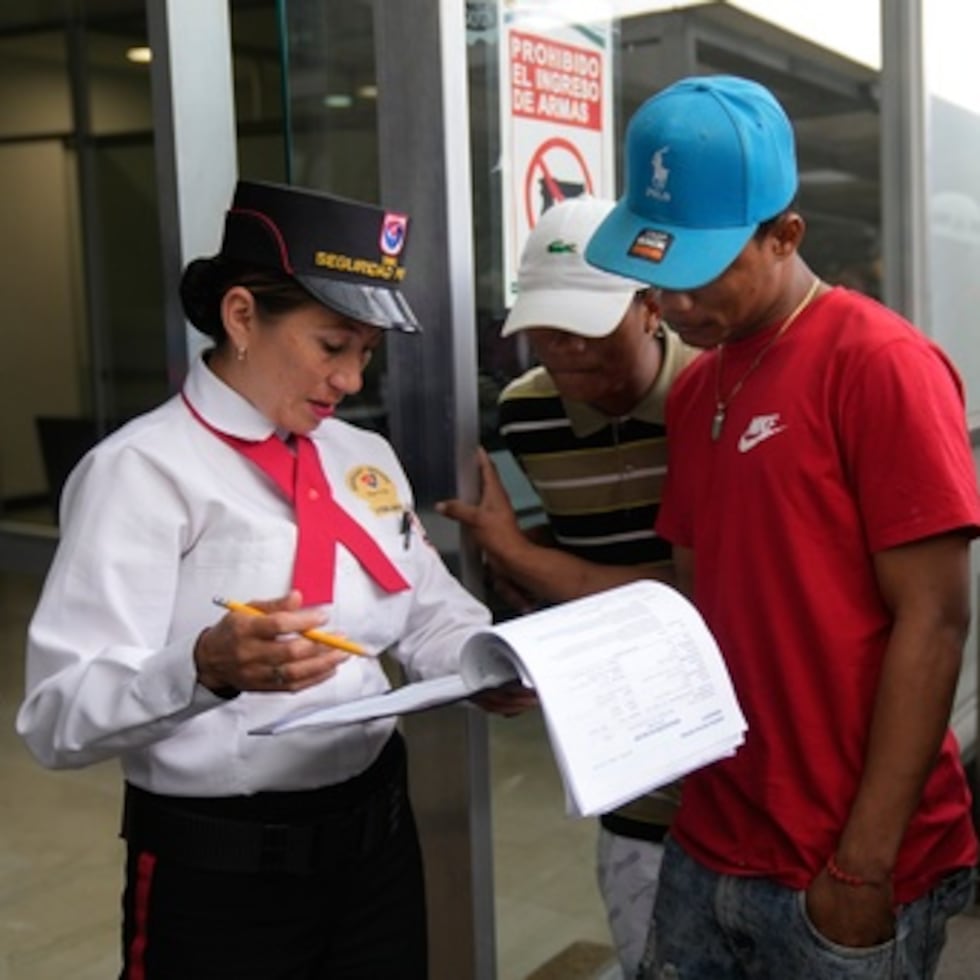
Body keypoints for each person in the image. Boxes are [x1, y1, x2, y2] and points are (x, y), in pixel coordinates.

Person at [16, 179, 497, 980]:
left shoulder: (362, 459)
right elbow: (55, 718)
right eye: (331, 345)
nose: (349, 380)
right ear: (241, 316)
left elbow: (425, 614)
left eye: (367, 355)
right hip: (226, 878)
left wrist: (490, 662)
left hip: (378, 848)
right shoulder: (141, 472)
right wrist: (204, 668)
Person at [585, 74, 980, 979]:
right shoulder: (696, 388)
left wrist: (862, 864)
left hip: (841, 861)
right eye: (658, 271)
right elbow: (702, 601)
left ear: (785, 235)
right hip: (711, 835)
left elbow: (937, 620)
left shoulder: (881, 365)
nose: (673, 304)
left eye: (701, 271)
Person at [437, 195, 698, 978]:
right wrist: (513, 582)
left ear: (650, 306)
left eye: (588, 327)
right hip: (629, 768)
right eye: (547, 330)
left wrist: (519, 554)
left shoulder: (716, 399)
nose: (567, 352)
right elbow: (577, 539)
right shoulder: (527, 417)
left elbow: (697, 590)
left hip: (750, 770)